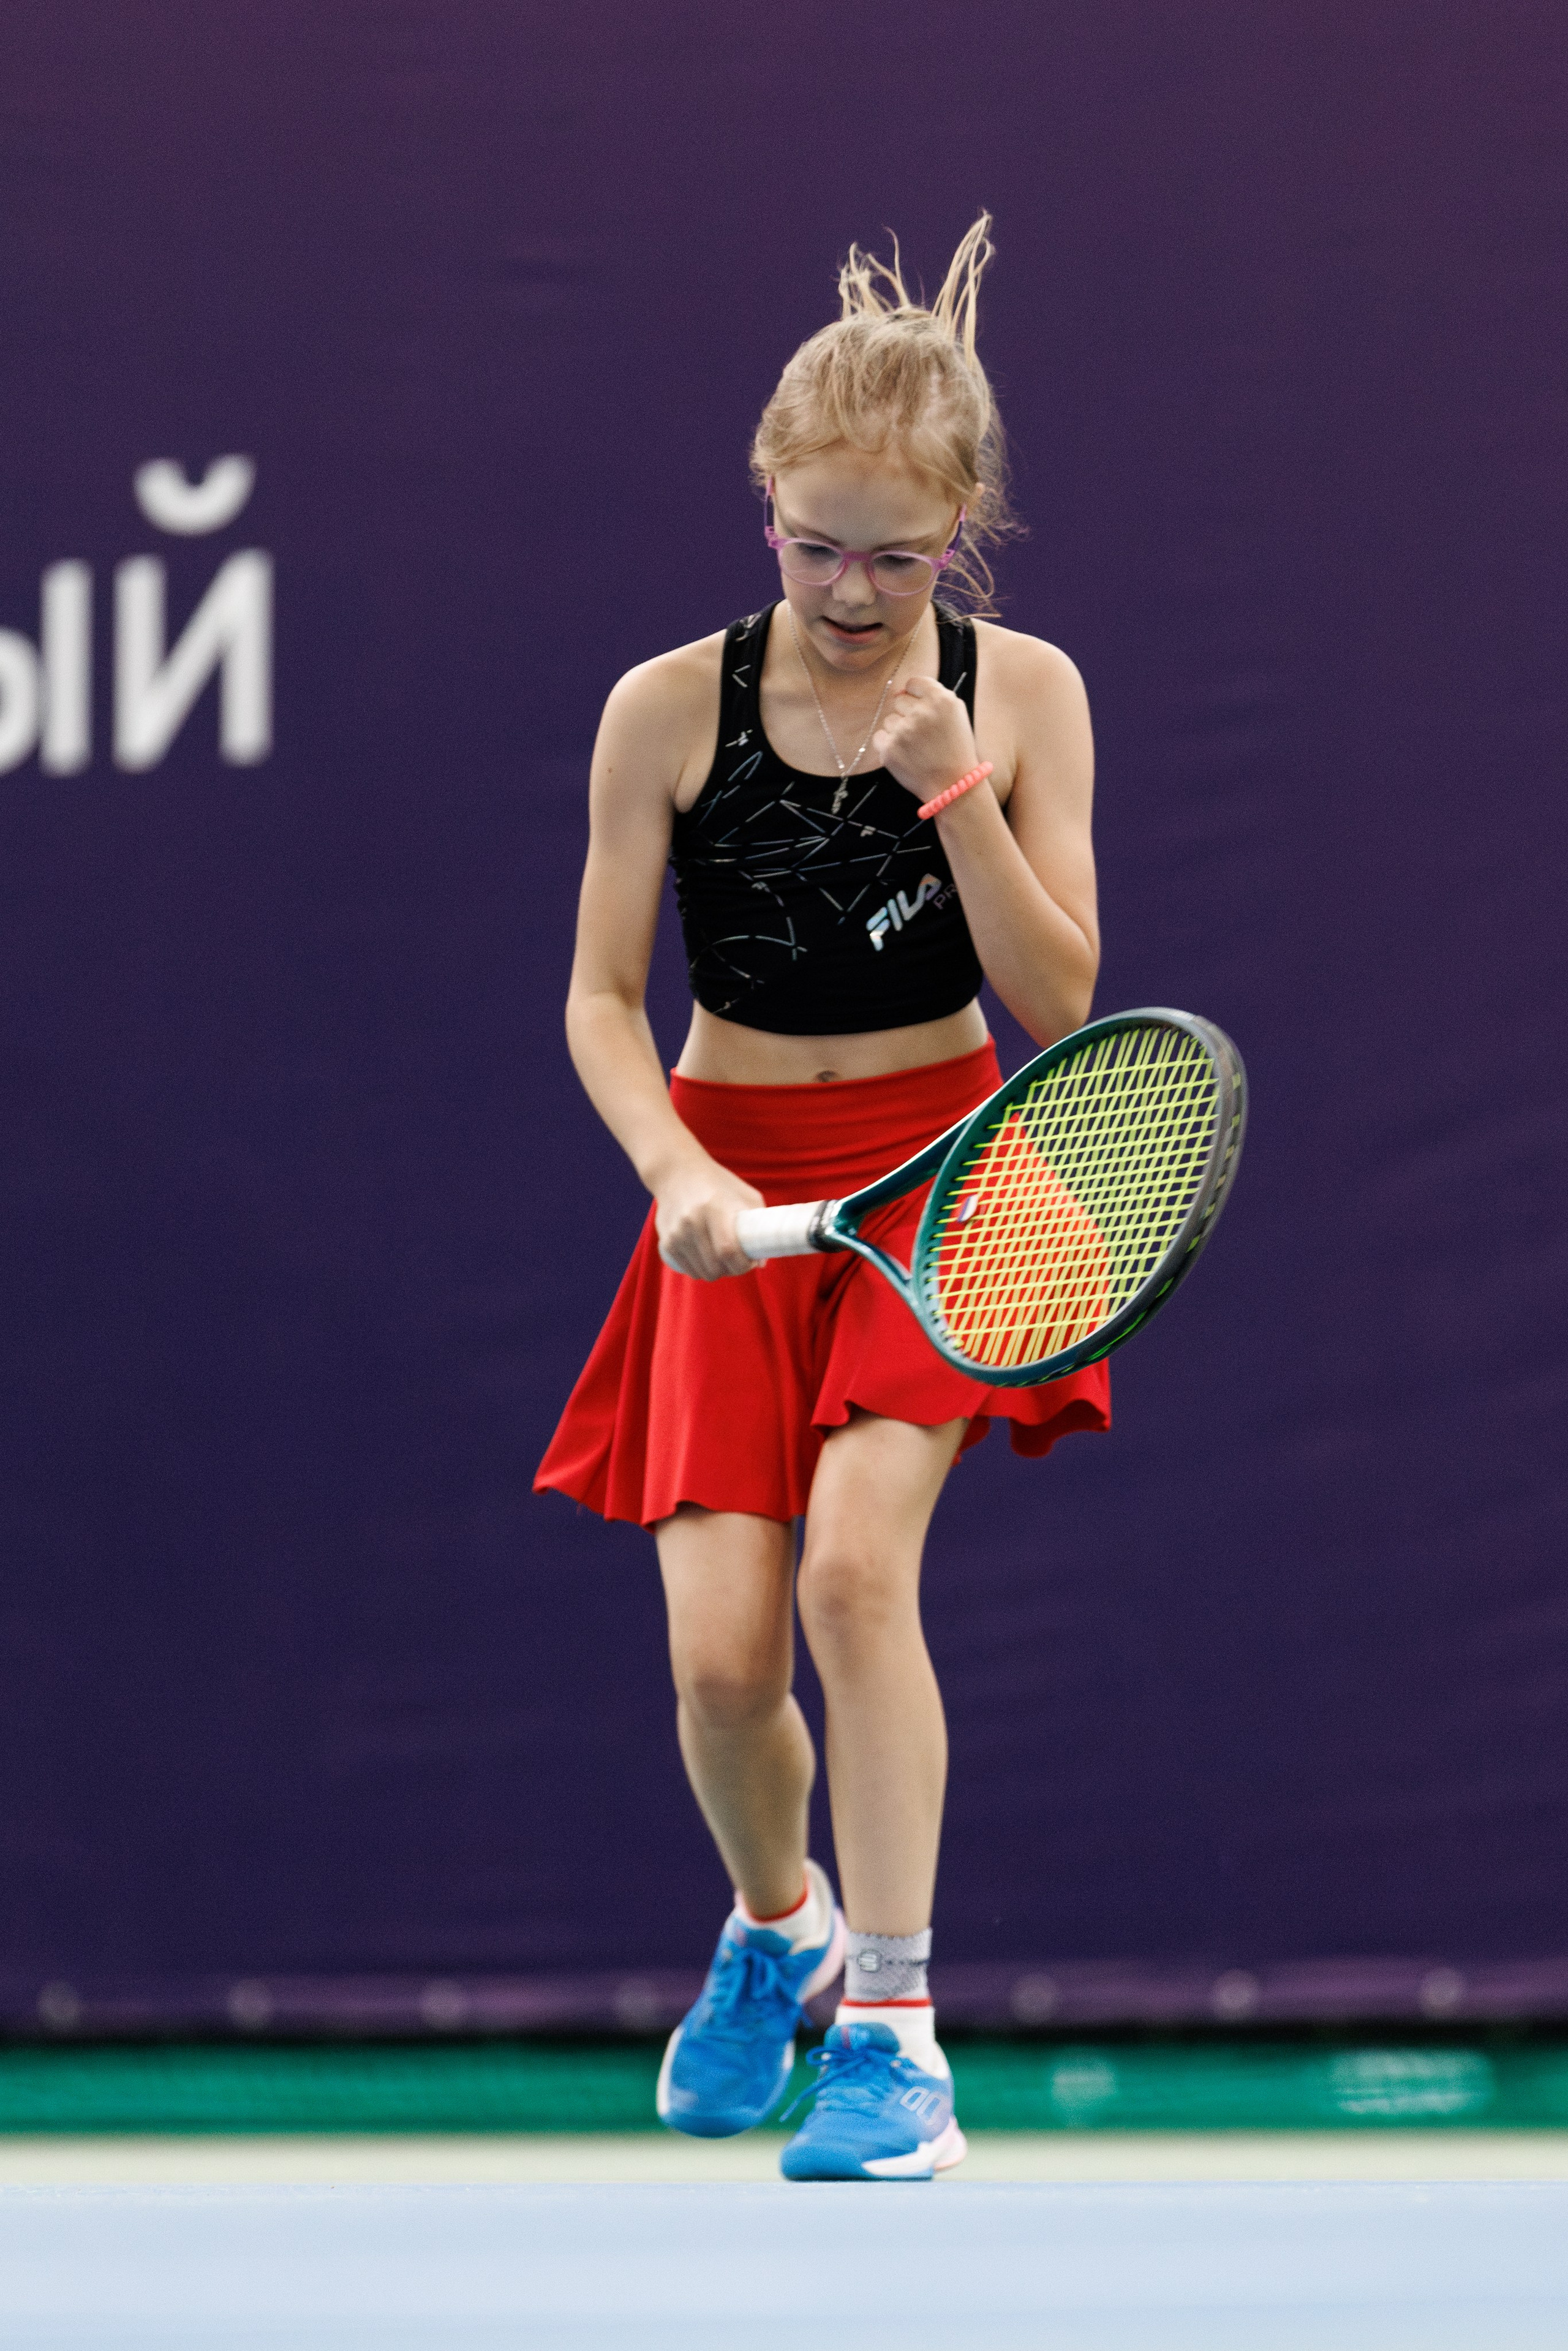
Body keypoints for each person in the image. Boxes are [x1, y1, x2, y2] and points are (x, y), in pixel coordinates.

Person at [535, 214, 1109, 2181]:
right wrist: (673, 1169)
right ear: (766, 506)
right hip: (731, 1180)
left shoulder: (1020, 692)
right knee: (720, 1662)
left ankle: (896, 2038)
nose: (856, 591)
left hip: (951, 1179)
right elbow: (605, 1000)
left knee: (862, 1570)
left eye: (900, 552)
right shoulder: (664, 711)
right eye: (818, 544)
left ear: (961, 528)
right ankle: (775, 1929)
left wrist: (954, 790)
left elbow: (1060, 1002)